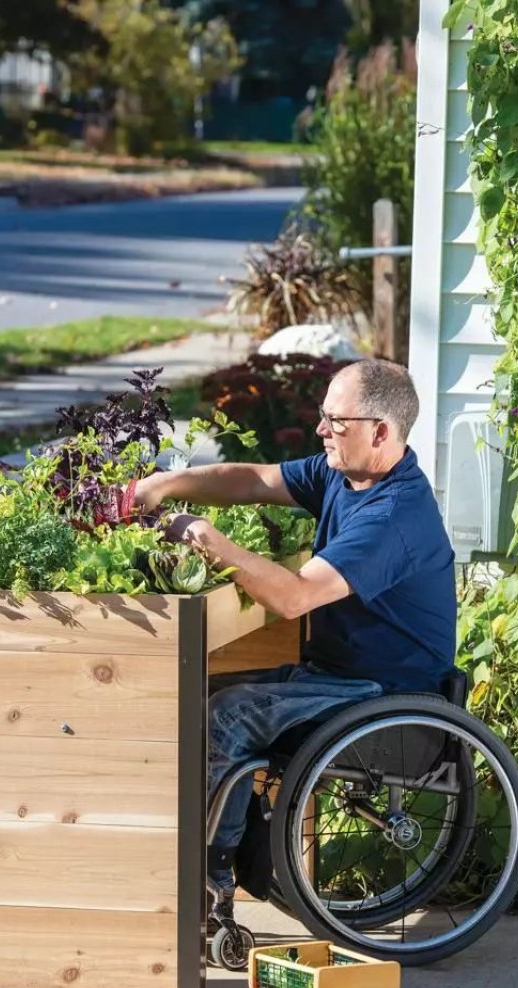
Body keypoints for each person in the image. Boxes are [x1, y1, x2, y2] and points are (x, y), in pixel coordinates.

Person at [132, 358, 457, 922]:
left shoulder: (394, 517)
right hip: (339, 677)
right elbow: (256, 480)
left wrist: (210, 541)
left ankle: (211, 889)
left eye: (335, 420)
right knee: (187, 691)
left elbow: (293, 598)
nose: (321, 430)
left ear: (380, 431)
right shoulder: (346, 473)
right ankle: (187, 861)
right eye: (323, 417)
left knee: (227, 717)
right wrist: (163, 483)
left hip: (386, 698)